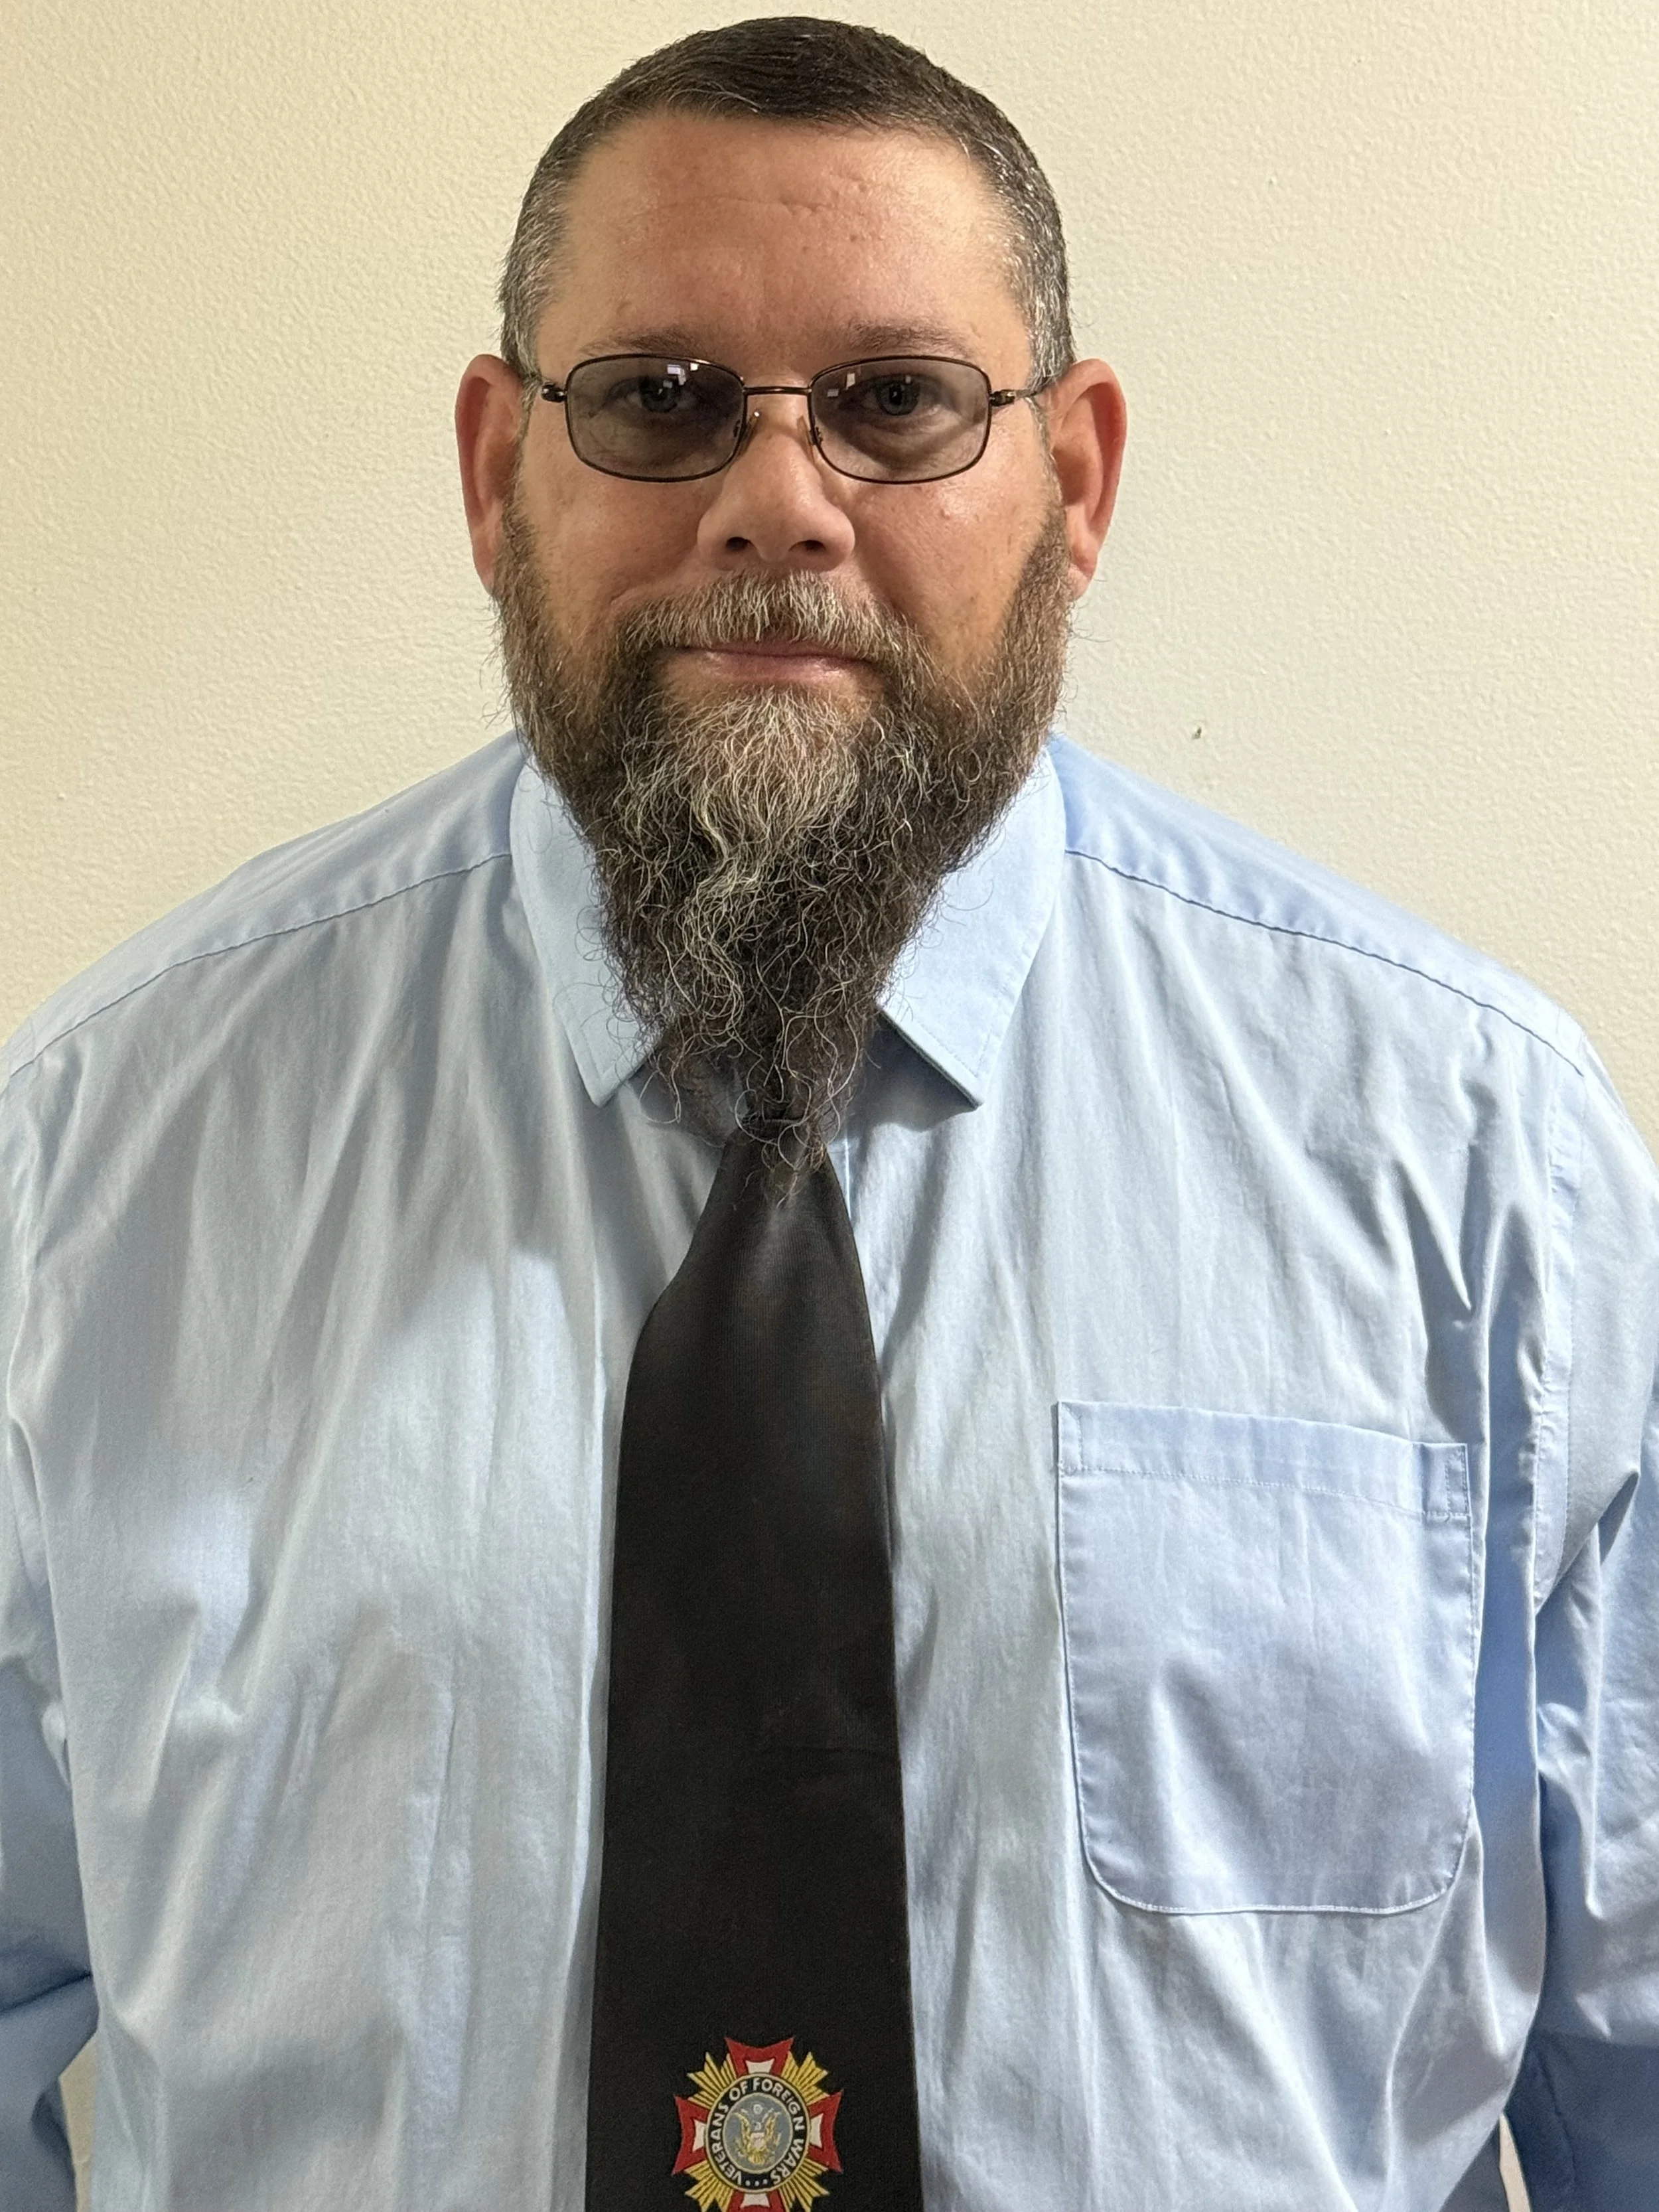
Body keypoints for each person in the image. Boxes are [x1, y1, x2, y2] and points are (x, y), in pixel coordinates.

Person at [1, 15, 1654, 2209]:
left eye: (896, 402)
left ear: (1077, 476)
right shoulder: (105, 1158)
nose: (775, 494)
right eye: (659, 398)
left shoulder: (1472, 1162)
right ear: (498, 464)